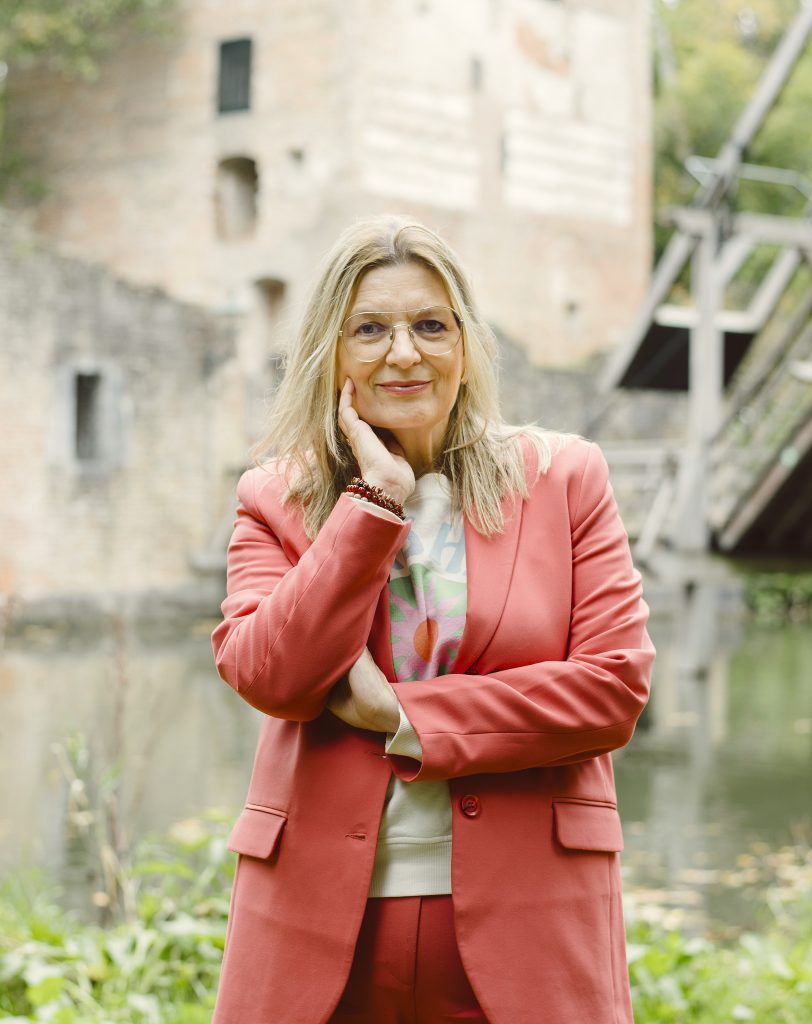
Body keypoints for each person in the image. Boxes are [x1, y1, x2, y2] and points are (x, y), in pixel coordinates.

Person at [210, 215, 655, 1024]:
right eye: (370, 329)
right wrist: (372, 501)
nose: (404, 353)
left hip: (530, 919)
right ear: (328, 351)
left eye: (430, 326)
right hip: (320, 923)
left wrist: (403, 716)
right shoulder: (275, 496)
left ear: (467, 342)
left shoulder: (563, 478)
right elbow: (271, 677)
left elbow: (613, 691)